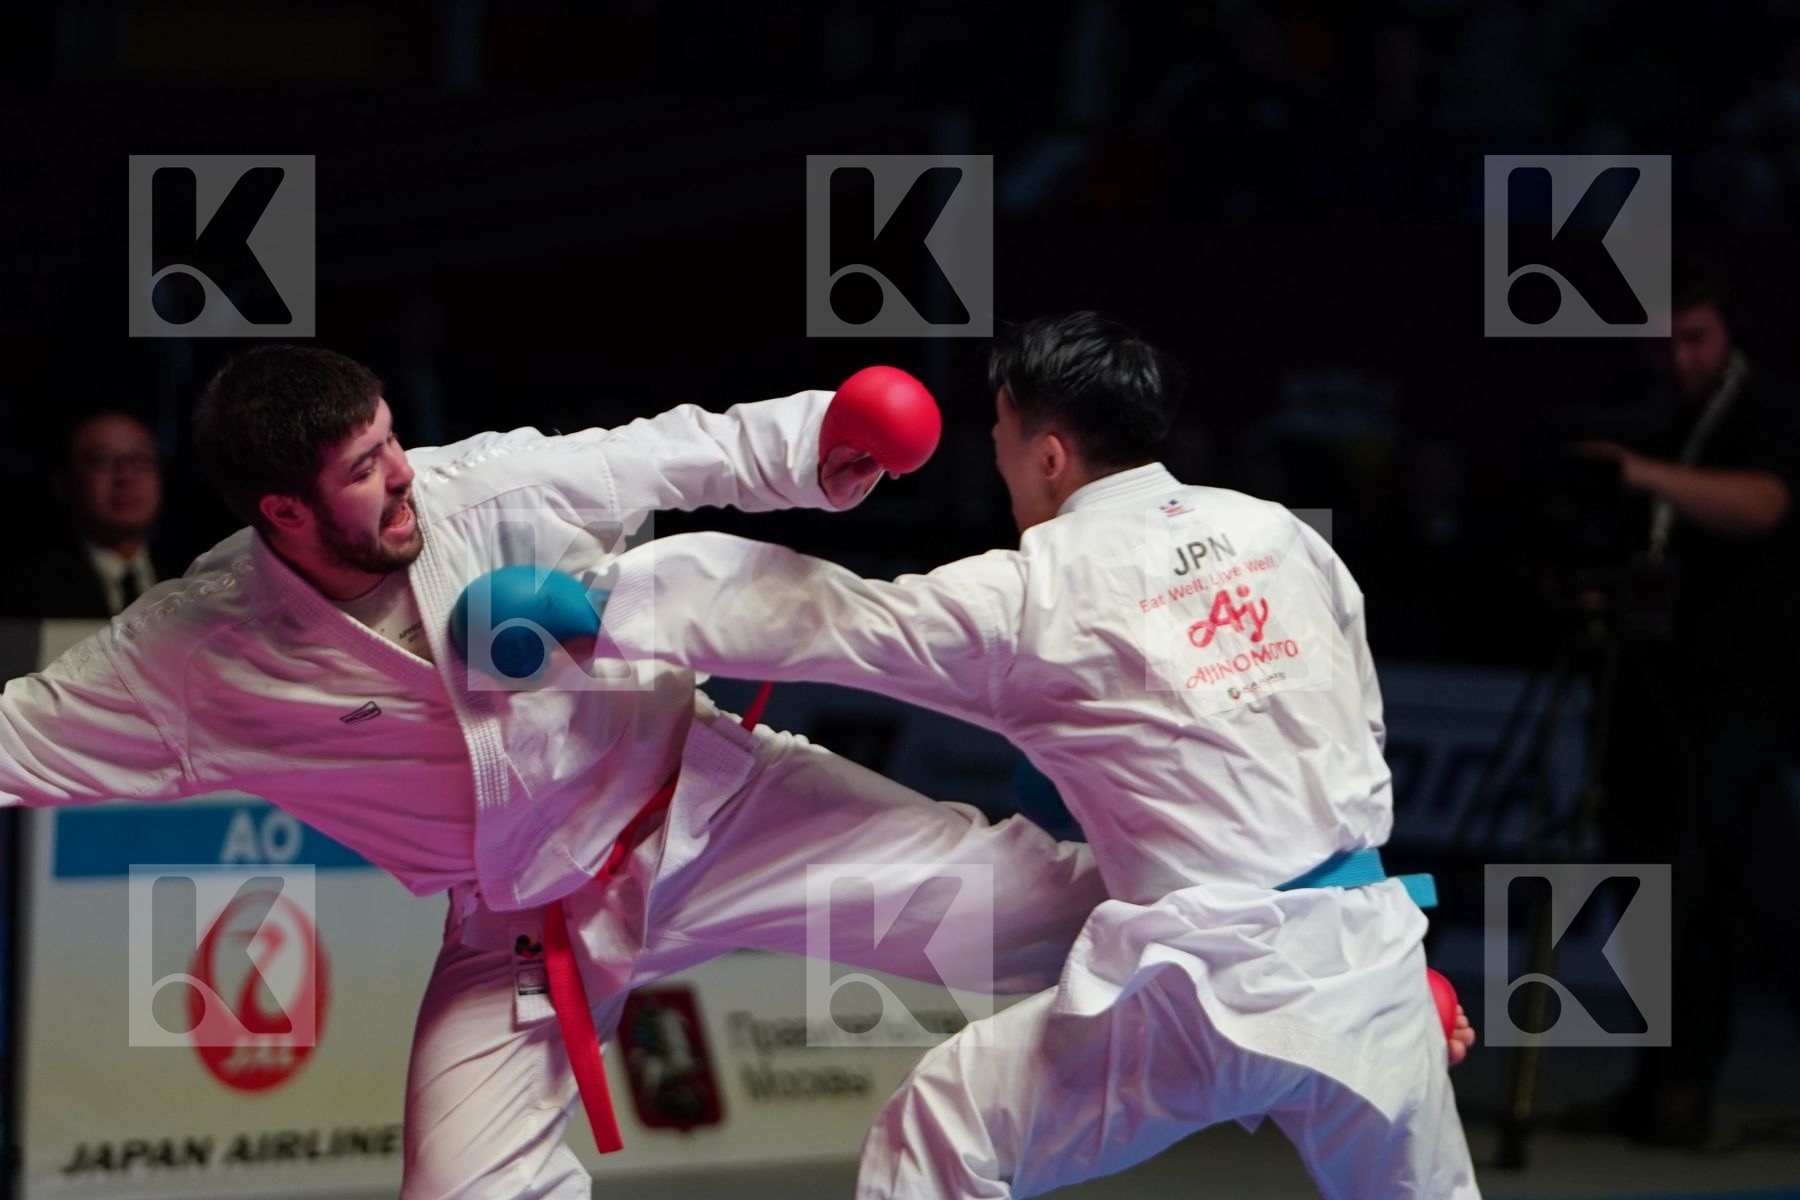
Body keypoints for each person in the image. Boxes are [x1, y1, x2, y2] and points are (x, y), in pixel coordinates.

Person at [0, 345, 1106, 1200]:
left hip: (715, 813)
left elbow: (663, 448)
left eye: (391, 441)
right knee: (460, 1186)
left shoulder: (476, 493)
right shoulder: (196, 652)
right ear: (282, 513)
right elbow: (18, 736)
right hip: (521, 925)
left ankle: (1264, 919)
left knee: (1052, 917)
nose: (401, 477)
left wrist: (818, 440)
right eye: (362, 471)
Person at [599, 311, 1481, 1198]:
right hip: (1371, 958)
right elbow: (1353, 733)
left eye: (1001, 439)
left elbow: (828, 618)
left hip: (1211, 984)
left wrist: (602, 603)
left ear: (1048, 454)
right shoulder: (1279, 533)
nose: (1000, 462)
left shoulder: (1034, 592)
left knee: (943, 1129)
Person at [1566, 260, 1800, 1146]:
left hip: (1741, 694)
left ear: (1726, 329)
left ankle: (1677, 1084)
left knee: (1764, 897)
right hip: (1647, 687)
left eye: (1694, 336)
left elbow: (1765, 505)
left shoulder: (1767, 408)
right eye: (1662, 340)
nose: (1678, 355)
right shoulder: (1650, 406)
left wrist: (1642, 474)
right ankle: (1665, 1086)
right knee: (1649, 897)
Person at [0, 410, 168, 618]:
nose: (126, 475)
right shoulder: (26, 588)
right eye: (102, 460)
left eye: (141, 459)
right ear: (62, 482)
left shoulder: (195, 574)